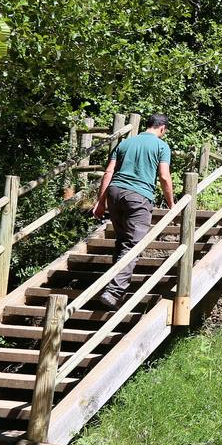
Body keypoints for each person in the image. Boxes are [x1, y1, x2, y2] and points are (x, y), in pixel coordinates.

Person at [92, 114, 175, 309]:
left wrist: (101, 201)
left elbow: (108, 172)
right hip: (138, 196)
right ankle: (113, 291)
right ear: (162, 128)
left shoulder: (124, 144)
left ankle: (113, 289)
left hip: (114, 194)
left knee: (122, 242)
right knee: (133, 245)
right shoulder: (161, 146)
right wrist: (172, 204)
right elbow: (164, 176)